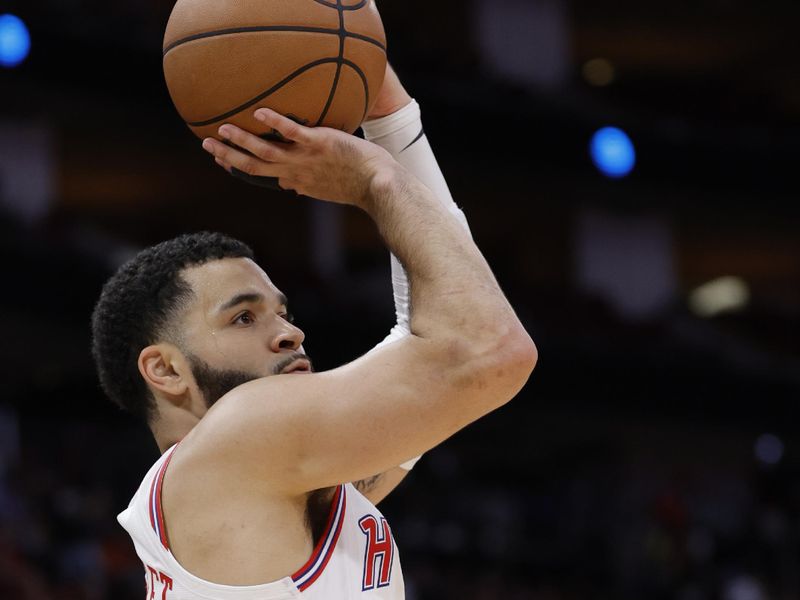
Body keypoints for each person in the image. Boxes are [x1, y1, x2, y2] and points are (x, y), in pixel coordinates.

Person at [91, 65, 537, 599]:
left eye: (284, 313)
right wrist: (376, 179)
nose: (288, 334)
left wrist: (389, 115)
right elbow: (490, 351)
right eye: (243, 317)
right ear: (165, 369)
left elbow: (437, 322)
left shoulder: (278, 478)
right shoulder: (240, 437)